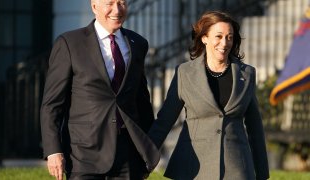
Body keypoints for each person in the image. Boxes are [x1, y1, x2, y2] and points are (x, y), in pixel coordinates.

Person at [40, 0, 160, 179]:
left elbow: (142, 102)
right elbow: (52, 104)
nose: (117, 10)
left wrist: (149, 149)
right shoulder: (70, 43)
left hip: (129, 153)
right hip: (83, 154)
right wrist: (53, 151)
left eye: (122, 3)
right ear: (94, 6)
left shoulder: (138, 44)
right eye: (109, 3)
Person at [148, 11, 270, 180]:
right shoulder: (185, 73)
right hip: (192, 168)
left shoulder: (247, 74)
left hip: (236, 168)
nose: (224, 43)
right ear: (204, 38)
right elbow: (164, 121)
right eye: (218, 36)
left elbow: (255, 128)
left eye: (229, 37)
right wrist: (144, 162)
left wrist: (262, 173)